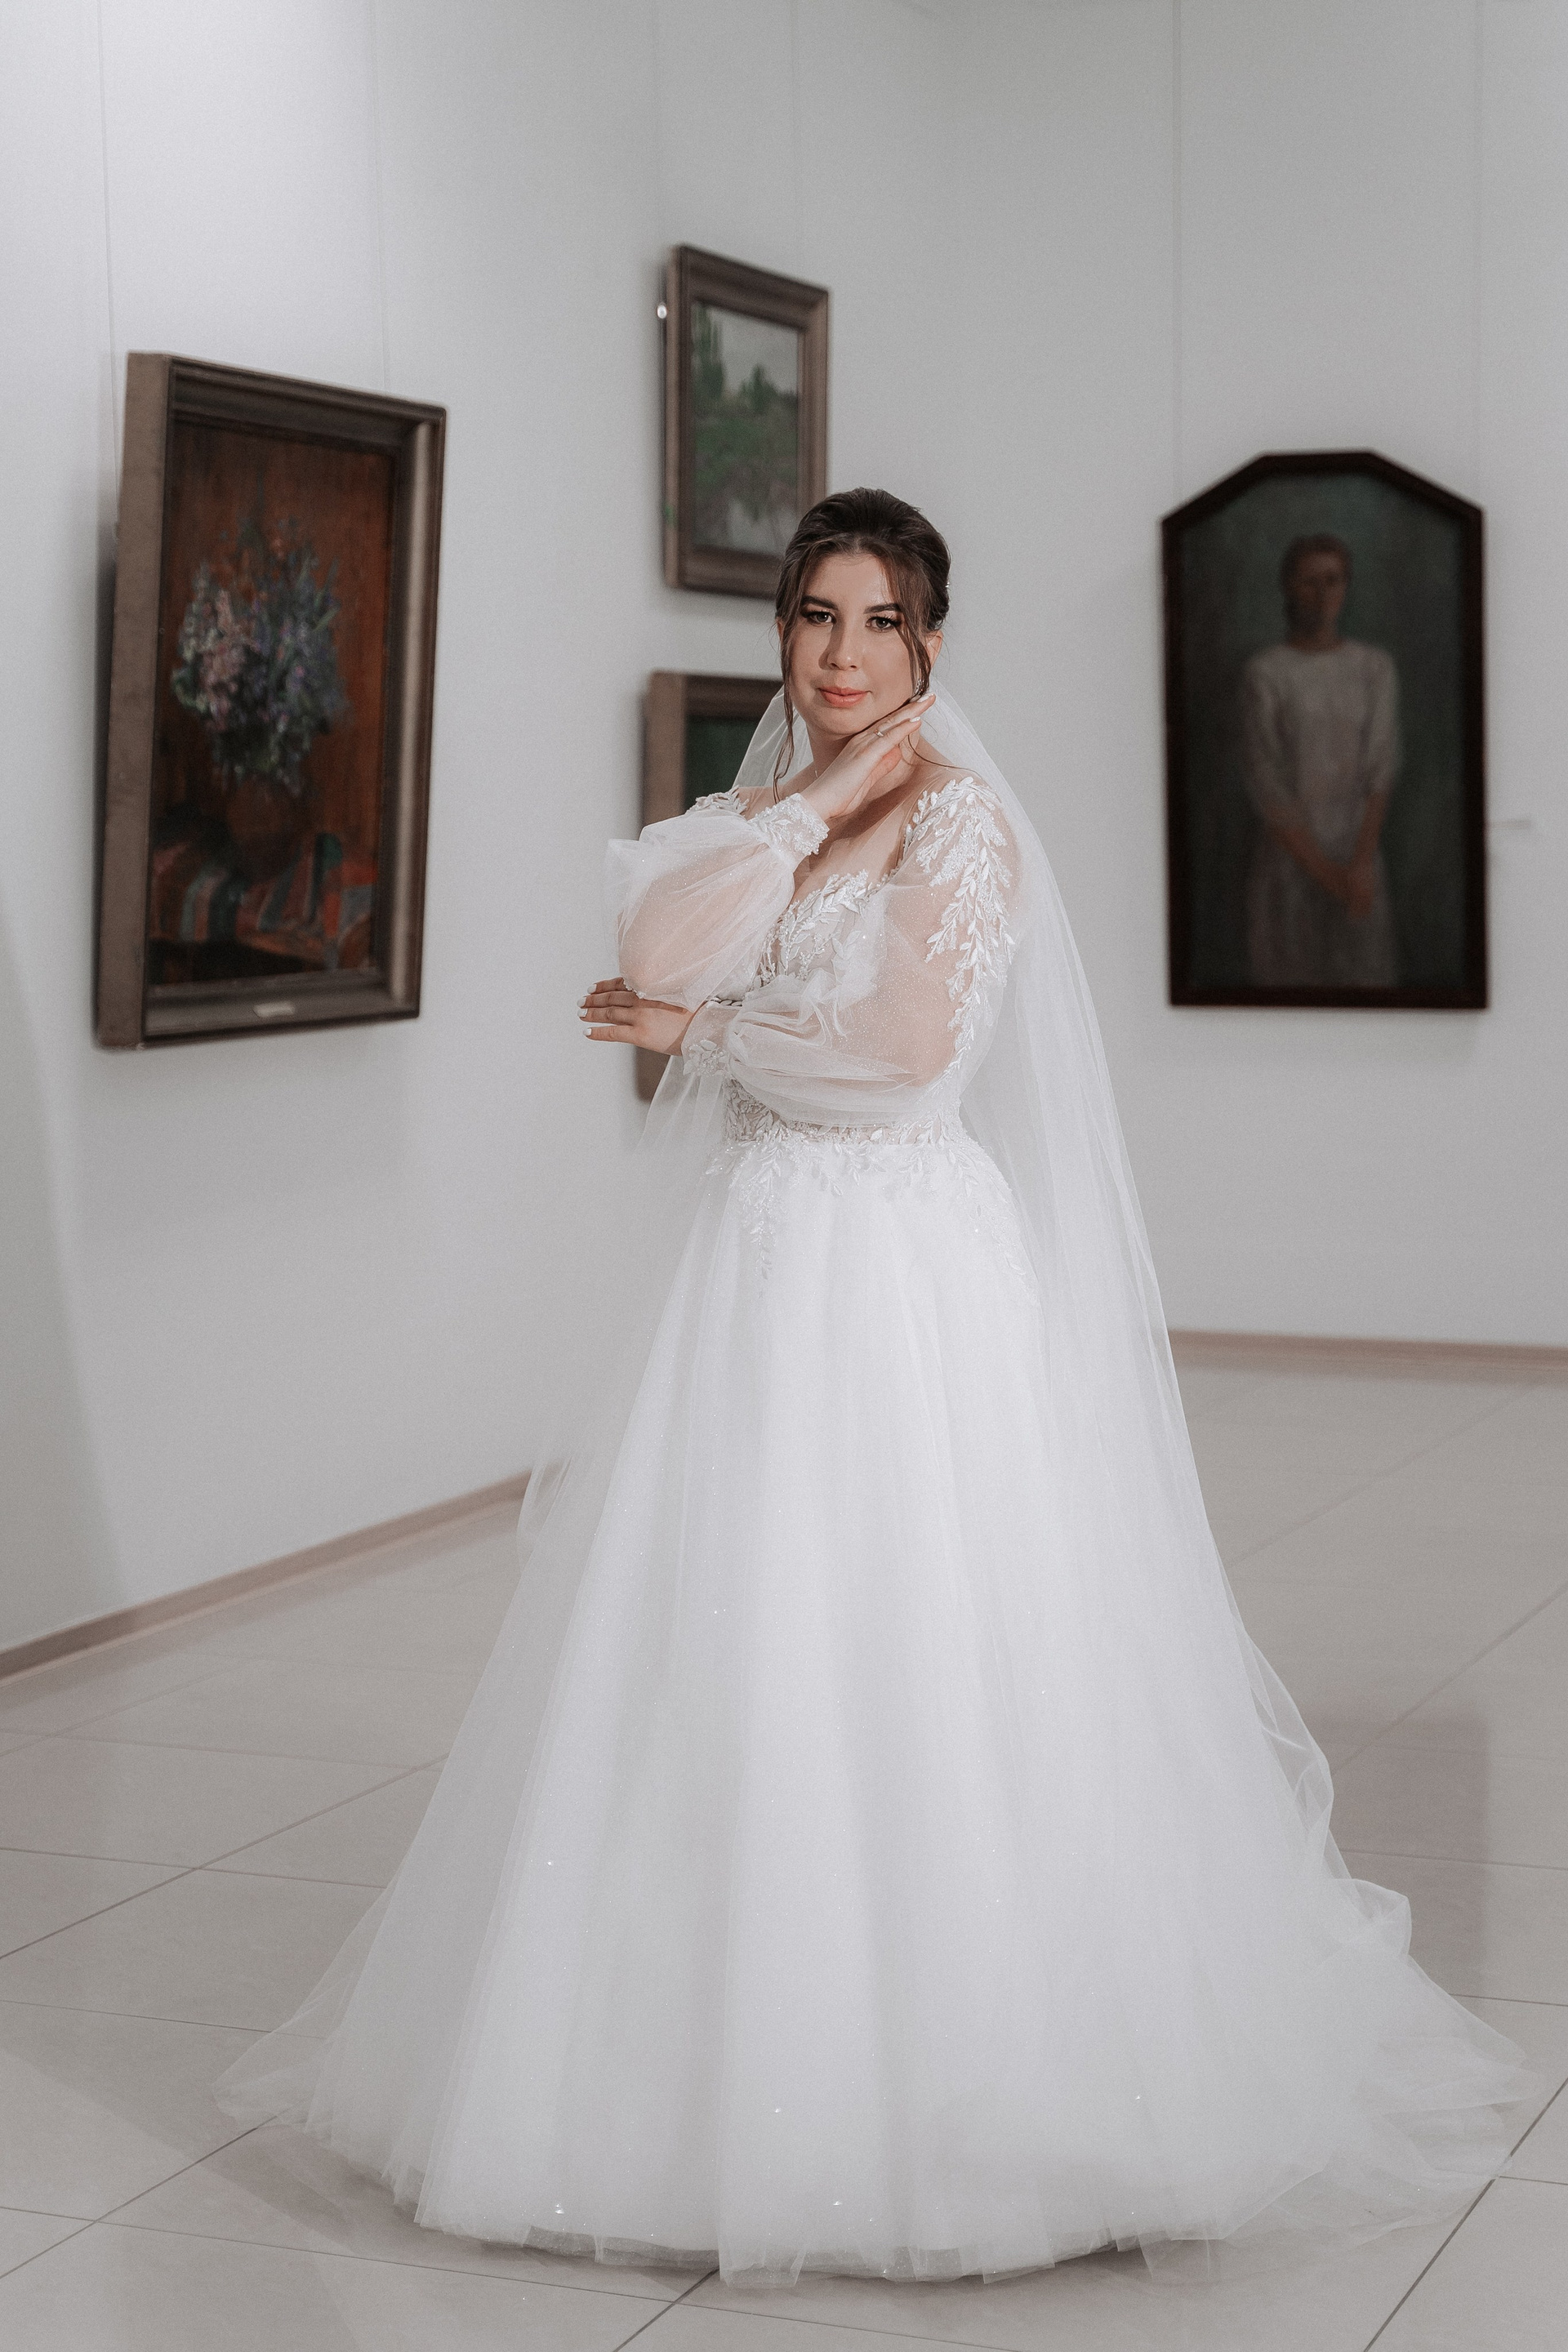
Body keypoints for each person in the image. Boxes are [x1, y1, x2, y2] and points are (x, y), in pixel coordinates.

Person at [219, 490, 1522, 2285]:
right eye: (816, 617)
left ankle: (975, 2093)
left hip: (894, 1271)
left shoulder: (965, 820)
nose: (844, 654)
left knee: (912, 1648)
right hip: (754, 1272)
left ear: (931, 642)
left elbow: (899, 1060)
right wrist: (802, 817)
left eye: (880, 621)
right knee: (718, 1648)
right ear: (786, 634)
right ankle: (679, 2075)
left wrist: (713, 1028)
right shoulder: (777, 800)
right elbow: (651, 956)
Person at [1241, 533, 1401, 989]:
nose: (1323, 593)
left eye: (1333, 581)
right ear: (1289, 587)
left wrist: (1358, 867)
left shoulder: (1373, 668)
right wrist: (1328, 875)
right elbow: (1267, 783)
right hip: (1290, 864)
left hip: (1359, 861)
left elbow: (1381, 770)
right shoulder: (1267, 672)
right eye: (1310, 582)